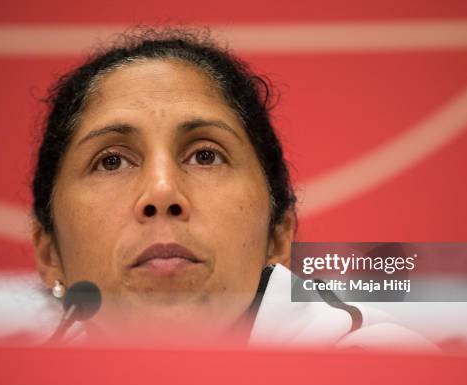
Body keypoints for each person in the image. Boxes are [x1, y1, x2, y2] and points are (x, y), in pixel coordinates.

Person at [31, 27, 436, 350]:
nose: (162, 192)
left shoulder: (384, 373)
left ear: (279, 235)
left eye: (205, 156)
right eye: (112, 161)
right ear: (49, 251)